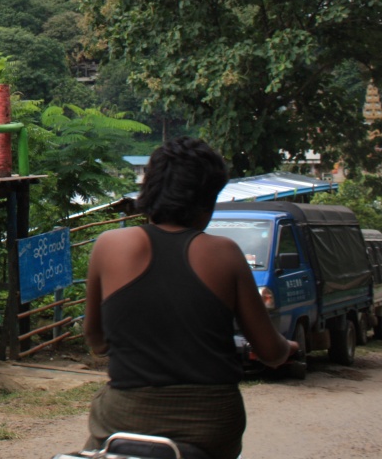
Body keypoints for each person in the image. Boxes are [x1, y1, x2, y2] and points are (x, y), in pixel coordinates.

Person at [82, 137, 295, 459]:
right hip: (211, 425)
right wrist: (288, 347)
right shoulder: (225, 253)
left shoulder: (109, 245)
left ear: (149, 190)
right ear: (207, 200)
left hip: (125, 417)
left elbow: (96, 340)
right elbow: (270, 352)